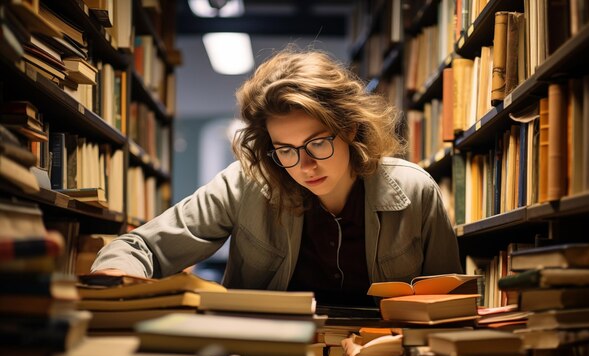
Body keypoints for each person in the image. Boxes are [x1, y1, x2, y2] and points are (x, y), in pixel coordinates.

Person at [91, 45, 462, 307]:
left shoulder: (416, 191)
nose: (304, 165)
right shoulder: (246, 182)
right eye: (285, 149)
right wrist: (115, 278)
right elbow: (139, 248)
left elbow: (450, 305)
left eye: (317, 143)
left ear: (349, 128)